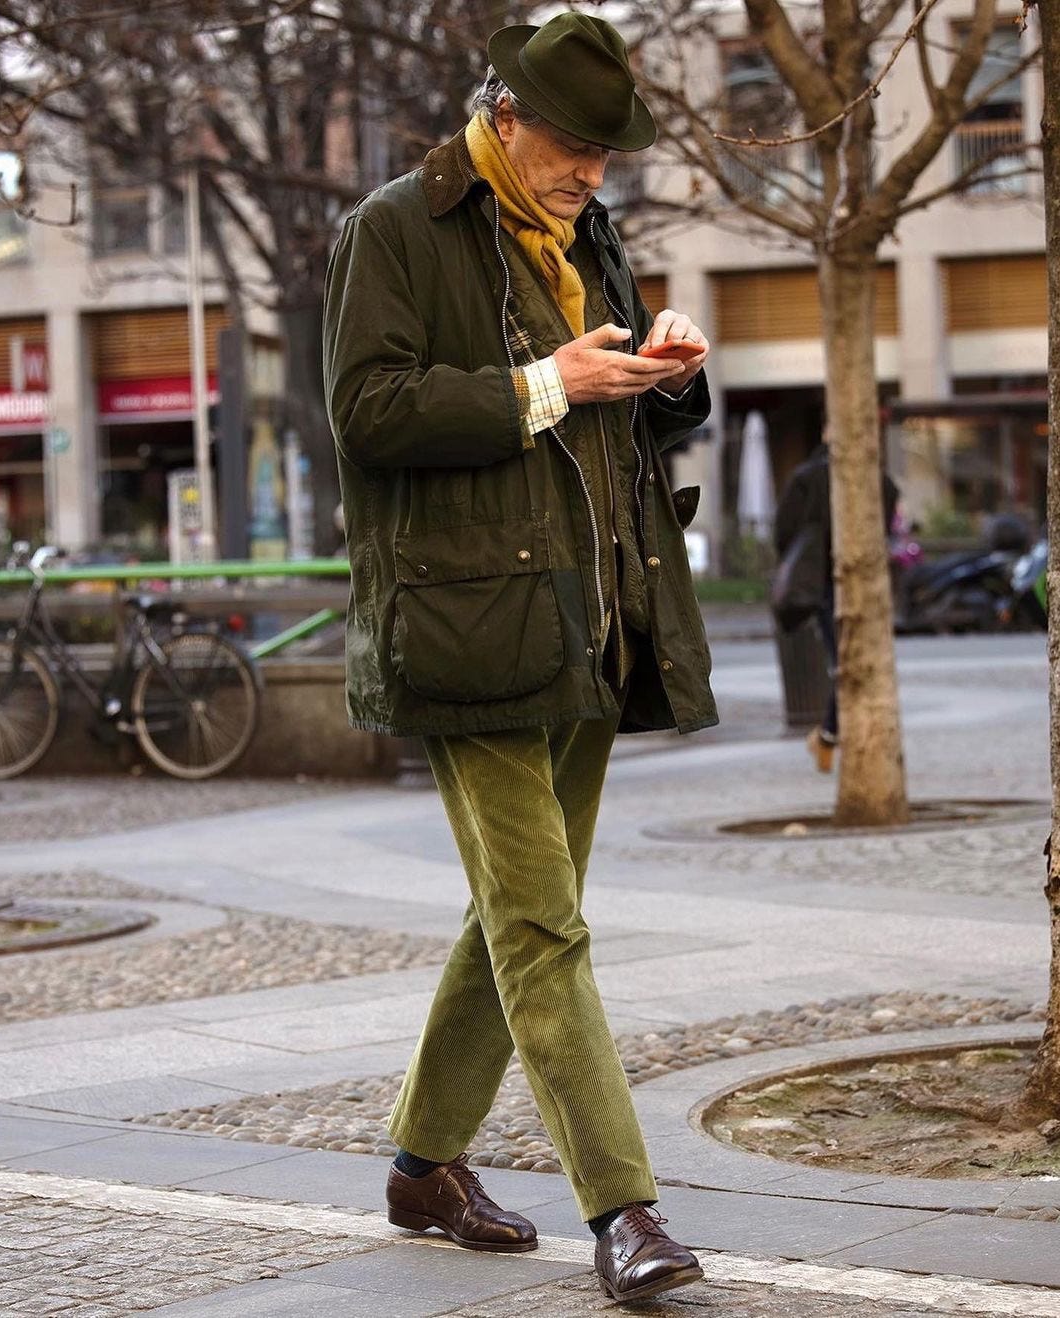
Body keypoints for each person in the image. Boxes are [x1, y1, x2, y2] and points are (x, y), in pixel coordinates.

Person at [323, 11, 717, 1304]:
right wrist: (543, 382)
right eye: (576, 144)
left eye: (608, 150)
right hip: (466, 628)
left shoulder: (584, 231)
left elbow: (611, 411)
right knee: (543, 921)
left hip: (593, 619)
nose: (595, 171)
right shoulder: (395, 228)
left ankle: (423, 1160)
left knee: (518, 908)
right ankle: (628, 1211)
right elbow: (370, 413)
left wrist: (661, 374)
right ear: (503, 114)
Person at [774, 438, 898, 772]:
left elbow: (784, 532)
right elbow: (887, 519)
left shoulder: (805, 478)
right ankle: (833, 737)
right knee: (857, 660)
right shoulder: (877, 478)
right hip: (866, 579)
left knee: (843, 661)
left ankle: (830, 737)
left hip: (822, 581)